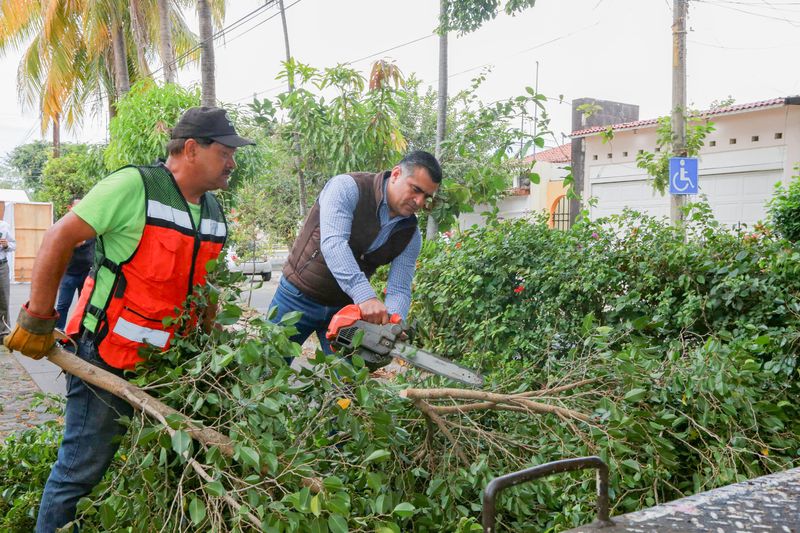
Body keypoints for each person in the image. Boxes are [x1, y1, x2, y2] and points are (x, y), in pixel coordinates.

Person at [4, 106, 253, 533]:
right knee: (79, 473)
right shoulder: (133, 187)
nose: (233, 161)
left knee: (186, 467)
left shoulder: (213, 211)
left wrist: (212, 354)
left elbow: (206, 287)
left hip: (173, 368)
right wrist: (39, 319)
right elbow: (58, 237)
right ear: (192, 148)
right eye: (226, 151)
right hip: (105, 356)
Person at [270, 150, 442, 355]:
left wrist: (392, 324)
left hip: (347, 310)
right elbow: (334, 244)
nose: (419, 202)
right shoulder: (347, 187)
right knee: (267, 367)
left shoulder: (411, 235)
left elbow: (399, 288)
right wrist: (366, 297)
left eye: (426, 197)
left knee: (347, 383)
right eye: (415, 189)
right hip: (297, 296)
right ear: (396, 174)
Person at [54, 196, 95, 331]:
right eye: (77, 206)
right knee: (63, 305)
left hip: (87, 272)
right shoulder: (63, 225)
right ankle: (58, 334)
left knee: (85, 306)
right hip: (69, 273)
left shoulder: (92, 224)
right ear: (70, 208)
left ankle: (80, 333)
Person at [0, 216, 15, 342]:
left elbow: (13, 244)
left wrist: (6, 245)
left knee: (3, 299)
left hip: (2, 266)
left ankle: (4, 333)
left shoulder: (4, 226)